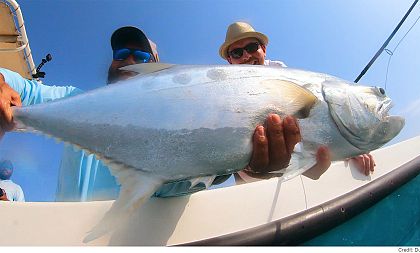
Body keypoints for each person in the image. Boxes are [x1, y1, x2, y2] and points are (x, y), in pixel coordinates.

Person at [0, 26, 303, 200]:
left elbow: (190, 178)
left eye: (141, 56)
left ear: (156, 68)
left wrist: (249, 164)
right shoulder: (73, 100)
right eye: (121, 54)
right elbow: (23, 90)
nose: (128, 60)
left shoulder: (185, 118)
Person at [219, 21, 375, 182]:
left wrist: (347, 148)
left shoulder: (282, 72)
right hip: (246, 175)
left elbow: (312, 115)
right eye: (237, 53)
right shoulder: (221, 89)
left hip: (291, 165)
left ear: (263, 49)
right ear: (230, 60)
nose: (246, 56)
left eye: (251, 47)